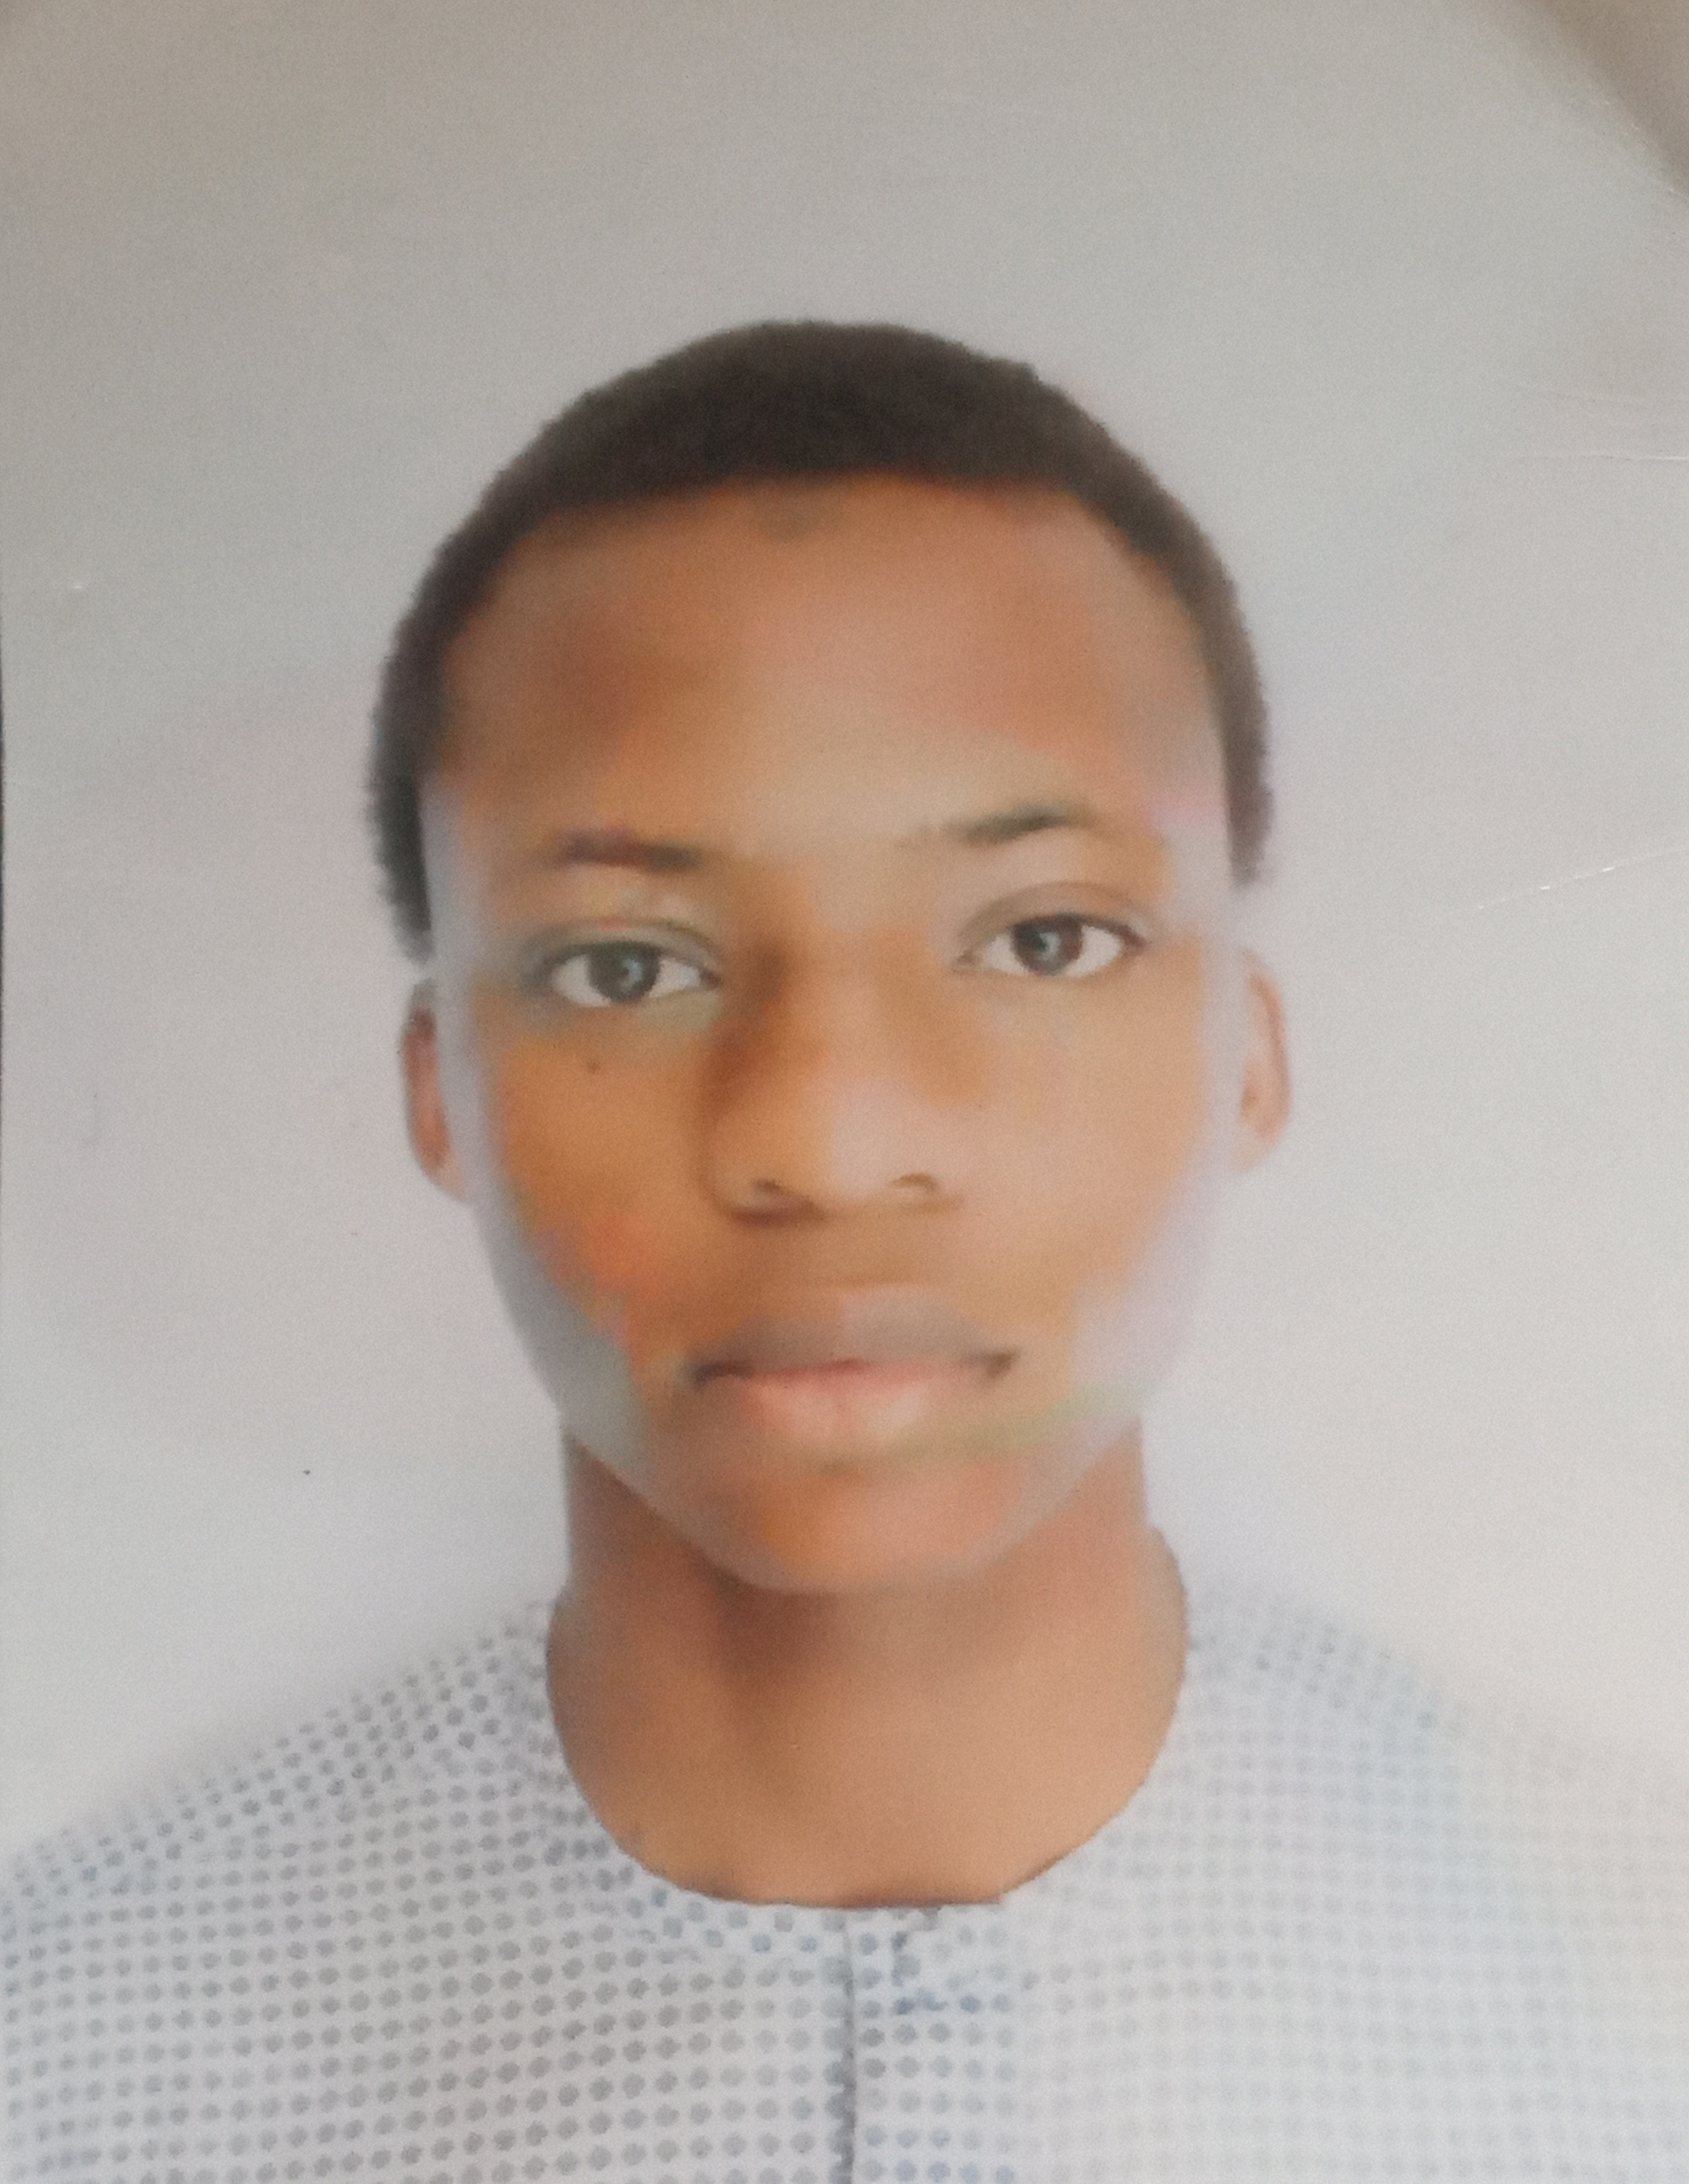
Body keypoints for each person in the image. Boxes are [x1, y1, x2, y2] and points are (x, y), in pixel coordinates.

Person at [4, 322, 1685, 2183]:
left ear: (1251, 1058)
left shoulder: (1647, 2023)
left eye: (1041, 939)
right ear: (437, 1091)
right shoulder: (63, 2061)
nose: (827, 1137)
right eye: (626, 966)